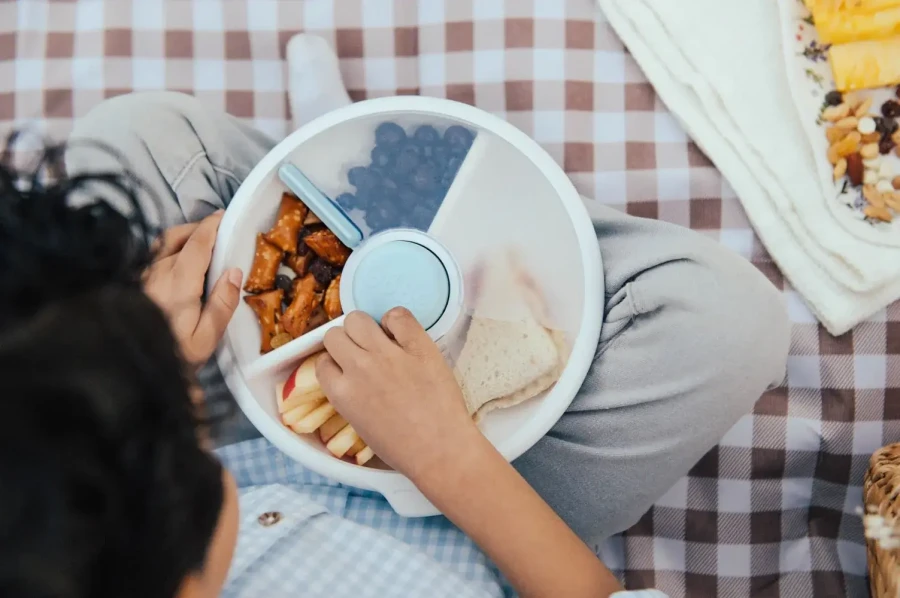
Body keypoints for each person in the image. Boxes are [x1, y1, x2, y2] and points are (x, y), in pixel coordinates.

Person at [0, 41, 789, 598]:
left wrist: (137, 375)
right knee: (729, 323)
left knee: (132, 138)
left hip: (245, 444)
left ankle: (370, 196)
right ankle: (410, 206)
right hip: (482, 512)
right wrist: (450, 459)